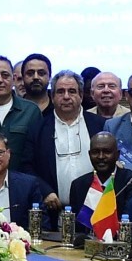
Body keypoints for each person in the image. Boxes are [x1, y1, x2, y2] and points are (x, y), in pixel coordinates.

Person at [27, 71, 102, 212]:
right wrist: (45, 191)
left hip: (95, 208)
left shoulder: (100, 125)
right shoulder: (37, 129)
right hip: (53, 209)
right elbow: (27, 167)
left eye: (72, 91)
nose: (66, 96)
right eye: (60, 92)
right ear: (52, 97)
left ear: (81, 95)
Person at [68, 133, 132, 235]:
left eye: (107, 152)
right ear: (89, 154)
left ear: (117, 155)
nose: (101, 157)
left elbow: (130, 221)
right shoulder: (78, 185)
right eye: (95, 152)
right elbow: (77, 228)